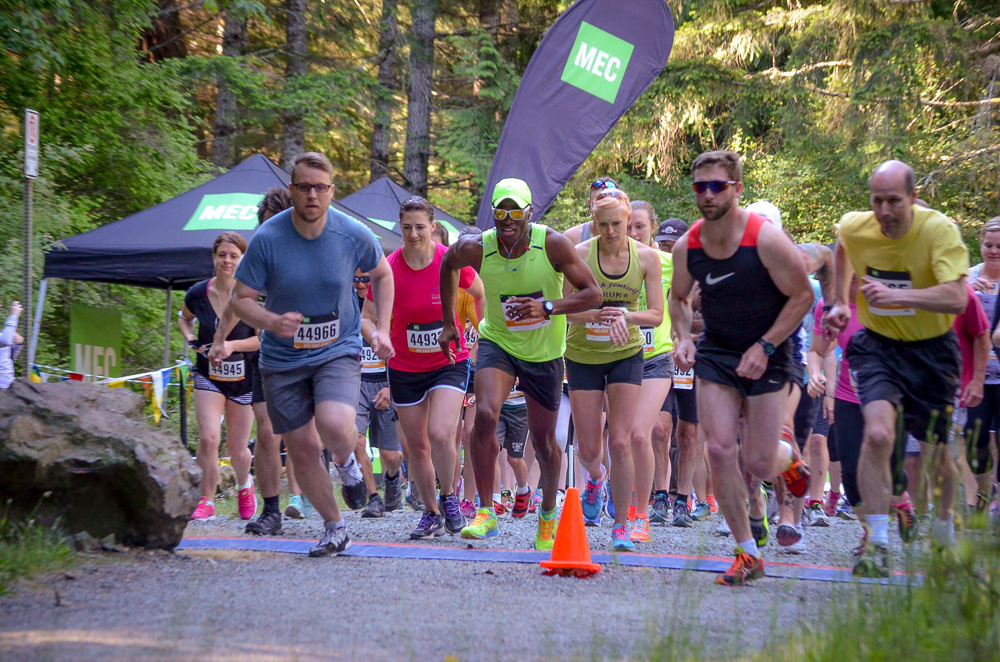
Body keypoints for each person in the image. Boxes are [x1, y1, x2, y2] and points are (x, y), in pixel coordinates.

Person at [231, 152, 395, 557]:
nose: (312, 195)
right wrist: (271, 321)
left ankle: (346, 463)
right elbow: (240, 299)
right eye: (304, 186)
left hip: (336, 349)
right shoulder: (268, 238)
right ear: (292, 190)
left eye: (320, 188)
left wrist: (384, 329)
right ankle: (335, 527)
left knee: (335, 421)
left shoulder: (352, 233)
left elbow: (383, 274)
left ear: (331, 192)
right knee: (302, 448)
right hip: (282, 359)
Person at [669, 150, 813, 586]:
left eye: (717, 186)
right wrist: (682, 339)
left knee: (760, 461)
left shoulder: (765, 239)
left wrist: (766, 345)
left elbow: (803, 296)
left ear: (737, 188)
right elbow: (677, 298)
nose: (708, 195)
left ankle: (787, 459)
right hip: (718, 352)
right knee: (718, 450)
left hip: (768, 350)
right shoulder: (688, 245)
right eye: (700, 187)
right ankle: (747, 553)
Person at [438, 178, 602, 551]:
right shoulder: (477, 248)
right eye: (500, 211)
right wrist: (449, 321)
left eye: (515, 211)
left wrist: (548, 307)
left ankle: (546, 515)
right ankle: (485, 512)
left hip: (544, 353)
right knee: (484, 415)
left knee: (544, 442)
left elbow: (593, 293)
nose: (507, 219)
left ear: (530, 213)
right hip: (498, 340)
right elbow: (447, 263)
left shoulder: (554, 244)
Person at [825, 160, 969, 576]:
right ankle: (879, 544)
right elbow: (842, 245)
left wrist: (899, 296)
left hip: (932, 349)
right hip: (879, 345)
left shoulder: (938, 231)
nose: (884, 211)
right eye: (877, 201)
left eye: (894, 201)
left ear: (914, 198)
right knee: (878, 434)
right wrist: (838, 300)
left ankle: (944, 542)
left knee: (938, 452)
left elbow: (957, 298)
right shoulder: (857, 225)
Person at [361, 196, 484, 539]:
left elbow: (479, 292)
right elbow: (366, 318)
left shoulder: (451, 260)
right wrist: (377, 337)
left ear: (432, 227)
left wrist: (477, 337)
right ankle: (430, 511)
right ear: (399, 229)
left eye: (419, 227)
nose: (413, 234)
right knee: (416, 446)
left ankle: (449, 498)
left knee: (442, 433)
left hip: (449, 361)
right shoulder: (389, 267)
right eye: (406, 228)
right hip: (404, 365)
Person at [210, 187, 313, 535]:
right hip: (271, 356)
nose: (270, 234)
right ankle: (271, 510)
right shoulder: (257, 256)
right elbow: (235, 303)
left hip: (317, 354)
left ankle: (333, 481)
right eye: (264, 226)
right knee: (268, 433)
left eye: (277, 224)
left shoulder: (317, 248)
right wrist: (220, 341)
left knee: (314, 433)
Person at [565, 189, 664, 551]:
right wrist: (596, 315)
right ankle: (595, 477)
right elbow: (565, 308)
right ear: (593, 222)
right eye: (602, 225)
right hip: (582, 354)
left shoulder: (647, 258)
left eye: (617, 224)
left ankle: (621, 524)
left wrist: (626, 315)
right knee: (590, 449)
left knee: (620, 440)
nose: (610, 232)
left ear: (628, 221)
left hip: (626, 353)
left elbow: (656, 314)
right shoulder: (578, 255)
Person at [179, 232, 261, 522]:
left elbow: (261, 341)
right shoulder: (198, 293)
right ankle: (207, 500)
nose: (227, 261)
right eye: (222, 255)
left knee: (239, 448)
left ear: (242, 260)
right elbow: (183, 317)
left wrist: (231, 346)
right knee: (209, 437)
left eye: (233, 256)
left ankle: (244, 485)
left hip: (243, 378)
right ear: (214, 258)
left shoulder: (252, 295)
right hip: (208, 374)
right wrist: (191, 339)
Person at [624, 200, 675, 539]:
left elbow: (687, 300)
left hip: (657, 357)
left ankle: (642, 515)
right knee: (619, 439)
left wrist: (687, 337)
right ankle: (623, 502)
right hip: (621, 356)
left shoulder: (671, 262)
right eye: (628, 226)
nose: (632, 233)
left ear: (652, 227)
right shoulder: (610, 261)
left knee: (643, 433)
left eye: (639, 226)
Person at [353, 268, 404, 518]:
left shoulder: (389, 300)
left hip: (386, 380)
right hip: (357, 382)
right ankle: (373, 498)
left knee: (389, 455)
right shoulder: (346, 304)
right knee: (356, 440)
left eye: (366, 279)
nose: (361, 284)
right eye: (356, 279)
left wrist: (390, 386)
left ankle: (393, 478)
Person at [967, 217, 1000, 515]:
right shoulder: (967, 277)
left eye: (999, 246)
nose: (993, 251)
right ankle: (985, 491)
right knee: (975, 443)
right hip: (975, 375)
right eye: (988, 245)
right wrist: (966, 289)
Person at [563, 177, 620, 245]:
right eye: (598, 202)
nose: (603, 208)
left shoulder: (628, 234)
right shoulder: (572, 237)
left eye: (609, 203)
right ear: (589, 204)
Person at [0, 300, 24, 389]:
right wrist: (14, 316)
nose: (0, 305)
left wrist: (19, 343)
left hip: (6, 383)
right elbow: (5, 341)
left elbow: (8, 357)